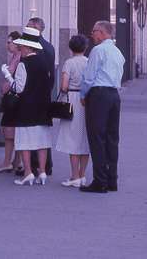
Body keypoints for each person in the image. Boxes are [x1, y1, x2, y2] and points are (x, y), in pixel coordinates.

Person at [2, 26, 53, 187]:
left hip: (26, 108)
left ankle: (28, 172)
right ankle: (43, 172)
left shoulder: (24, 64)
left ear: (27, 47)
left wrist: (8, 76)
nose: (20, 48)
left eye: (21, 46)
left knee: (24, 142)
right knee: (42, 142)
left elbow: (19, 88)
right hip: (43, 107)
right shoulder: (44, 62)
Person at [80, 20, 125, 194]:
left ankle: (100, 181)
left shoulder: (98, 51)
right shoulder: (117, 52)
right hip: (114, 95)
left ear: (102, 32)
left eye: (94, 31)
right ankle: (111, 179)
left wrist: (83, 95)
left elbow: (89, 76)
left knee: (97, 138)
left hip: (99, 95)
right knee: (112, 138)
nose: (92, 35)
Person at [56, 34, 90, 187]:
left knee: (72, 138)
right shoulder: (89, 62)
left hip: (72, 100)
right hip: (86, 101)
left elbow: (63, 86)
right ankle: (82, 175)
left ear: (70, 47)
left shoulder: (69, 63)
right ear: (85, 47)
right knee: (84, 139)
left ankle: (74, 175)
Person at [27, 16, 55, 176]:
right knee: (43, 131)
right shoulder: (49, 46)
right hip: (45, 94)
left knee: (31, 130)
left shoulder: (33, 47)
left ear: (37, 28)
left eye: (29, 26)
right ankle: (46, 165)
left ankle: (33, 165)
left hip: (32, 94)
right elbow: (51, 74)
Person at [0, 30, 22, 173]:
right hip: (14, 98)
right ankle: (17, 161)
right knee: (14, 130)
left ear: (17, 44)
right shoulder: (16, 57)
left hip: (13, 98)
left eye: (9, 42)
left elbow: (12, 79)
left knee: (9, 130)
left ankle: (7, 162)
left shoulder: (18, 58)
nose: (7, 45)